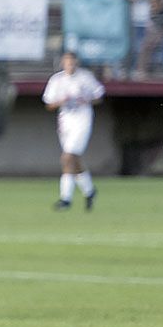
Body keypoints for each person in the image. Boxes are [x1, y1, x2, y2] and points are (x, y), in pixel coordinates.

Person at [42, 51, 105, 211]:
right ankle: (90, 191)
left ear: (76, 62)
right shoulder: (57, 80)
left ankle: (66, 199)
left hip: (82, 120)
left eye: (72, 61)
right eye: (67, 62)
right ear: (63, 63)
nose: (70, 64)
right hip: (65, 122)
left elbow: (99, 95)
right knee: (73, 160)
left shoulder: (85, 77)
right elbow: (48, 104)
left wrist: (87, 99)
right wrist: (60, 101)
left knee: (67, 157)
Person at [126, 0, 160, 77]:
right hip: (131, 21)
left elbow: (156, 4)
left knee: (144, 47)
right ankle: (132, 70)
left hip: (147, 22)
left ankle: (141, 70)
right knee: (133, 47)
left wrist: (151, 0)